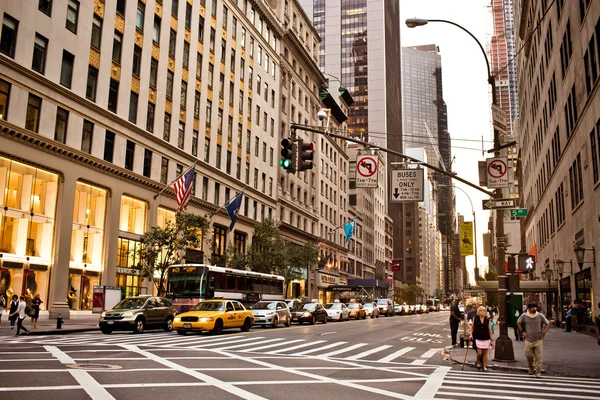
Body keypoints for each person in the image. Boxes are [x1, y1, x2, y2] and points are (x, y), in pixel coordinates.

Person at [517, 301, 549, 378]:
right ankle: (531, 366)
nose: (534, 309)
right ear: (529, 308)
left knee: (539, 357)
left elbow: (547, 323)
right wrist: (522, 331)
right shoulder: (524, 316)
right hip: (528, 339)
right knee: (528, 355)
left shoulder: (540, 315)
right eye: (533, 307)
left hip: (538, 339)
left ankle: (538, 372)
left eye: (535, 307)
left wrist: (543, 333)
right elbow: (518, 322)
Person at [470, 306, 493, 371]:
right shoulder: (475, 318)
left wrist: (491, 339)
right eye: (481, 310)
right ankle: (477, 361)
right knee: (479, 353)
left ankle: (484, 366)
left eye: (484, 311)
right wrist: (471, 334)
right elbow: (472, 327)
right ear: (478, 312)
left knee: (485, 352)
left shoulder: (487, 320)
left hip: (486, 338)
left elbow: (489, 330)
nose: (482, 312)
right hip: (478, 337)